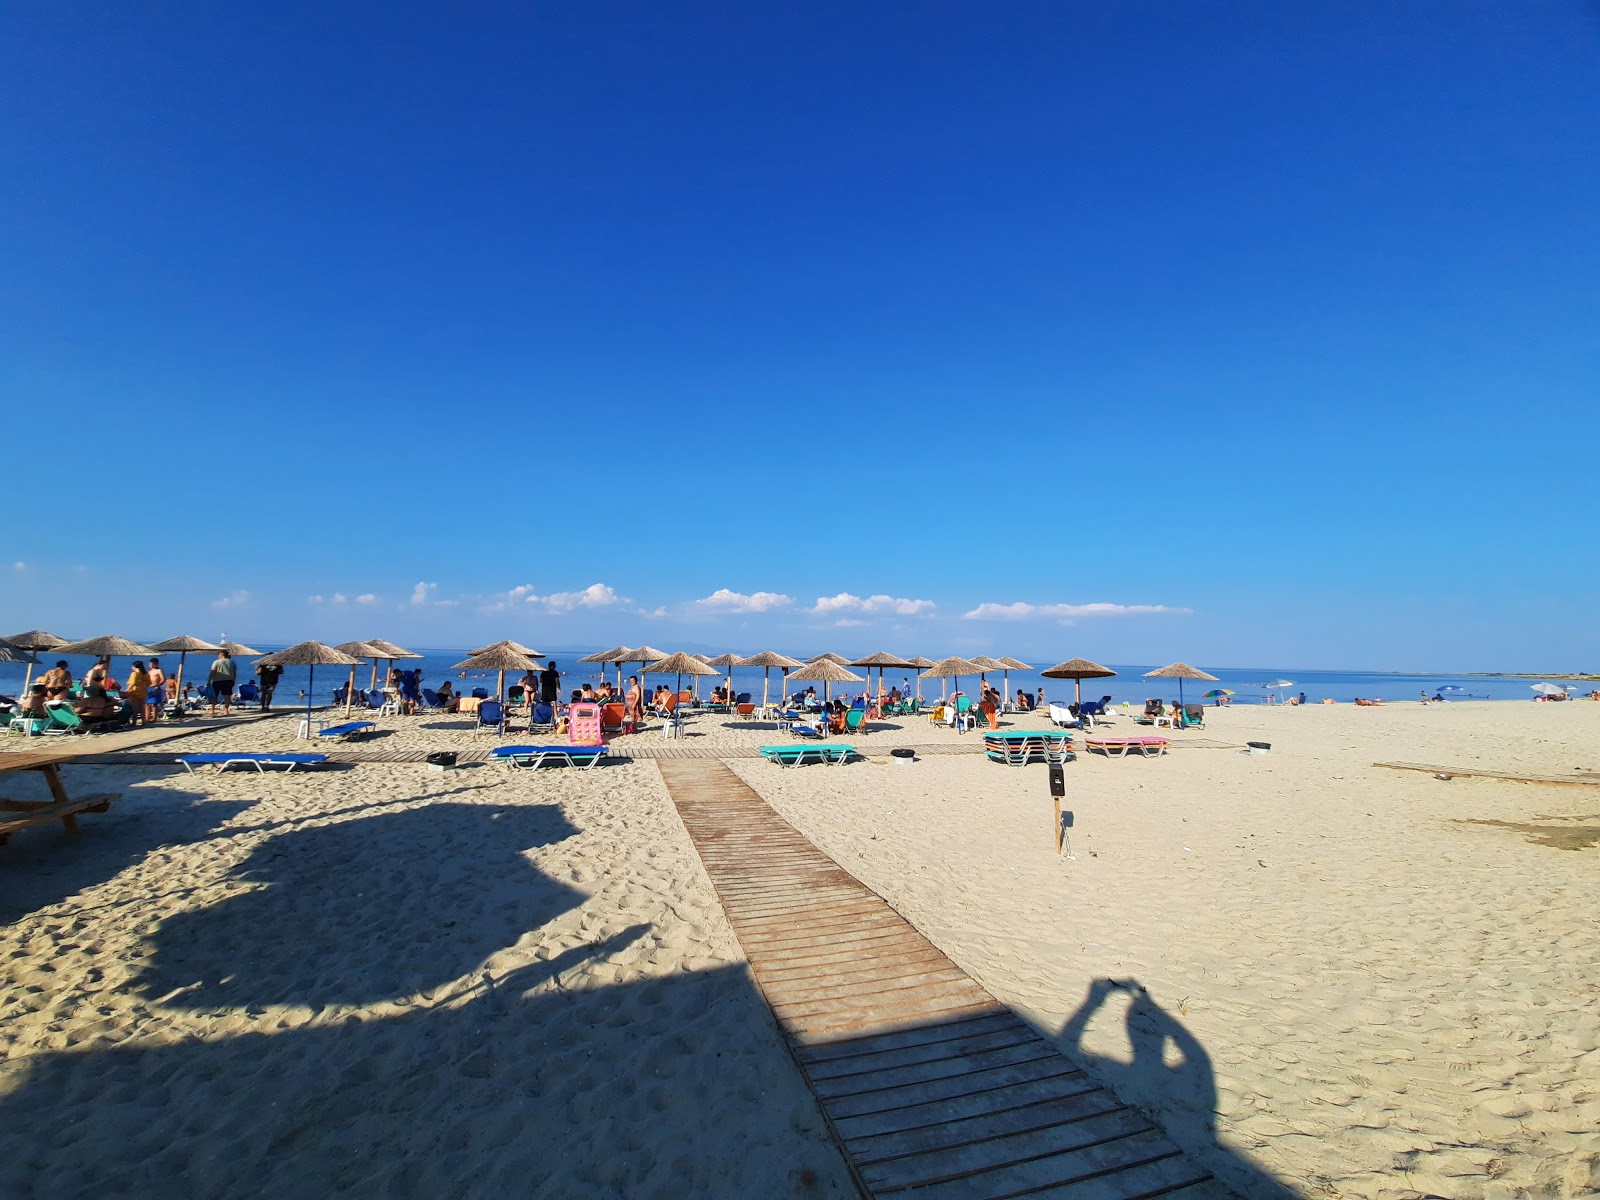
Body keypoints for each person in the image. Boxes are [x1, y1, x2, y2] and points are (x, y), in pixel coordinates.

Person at [207, 649, 237, 716]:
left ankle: (212, 710)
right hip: (229, 680)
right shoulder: (232, 662)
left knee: (214, 695)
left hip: (217, 680)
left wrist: (209, 680)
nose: (218, 656)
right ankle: (226, 710)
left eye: (219, 655)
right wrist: (233, 680)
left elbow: (213, 671)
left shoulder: (217, 662)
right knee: (227, 695)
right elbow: (234, 672)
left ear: (221, 655)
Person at [145, 658, 167, 722]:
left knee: (154, 704)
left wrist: (158, 685)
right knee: (147, 704)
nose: (151, 665)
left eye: (152, 664)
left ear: (156, 664)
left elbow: (163, 679)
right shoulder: (149, 671)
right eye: (150, 664)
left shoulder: (159, 670)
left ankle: (154, 718)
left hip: (155, 687)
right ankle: (147, 718)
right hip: (148, 687)